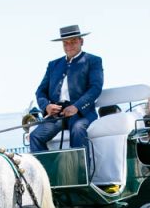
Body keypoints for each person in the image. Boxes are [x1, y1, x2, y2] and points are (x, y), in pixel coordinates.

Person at [29, 25, 104, 160]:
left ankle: (81, 175)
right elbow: (40, 91)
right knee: (35, 136)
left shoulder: (93, 61)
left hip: (82, 114)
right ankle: (48, 174)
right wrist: (46, 106)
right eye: (66, 43)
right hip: (58, 115)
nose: (69, 46)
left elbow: (95, 88)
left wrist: (76, 107)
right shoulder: (53, 65)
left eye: (73, 41)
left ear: (81, 41)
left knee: (78, 129)